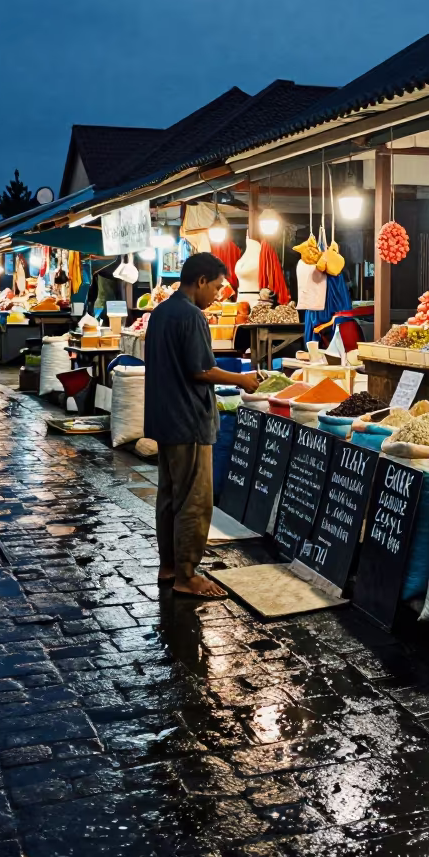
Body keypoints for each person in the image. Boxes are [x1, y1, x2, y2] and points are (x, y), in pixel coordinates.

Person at [144, 252, 260, 598]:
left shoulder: (161, 312)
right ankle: (187, 575)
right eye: (218, 286)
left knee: (169, 497)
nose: (219, 294)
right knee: (194, 500)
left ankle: (169, 566)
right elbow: (201, 370)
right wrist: (242, 380)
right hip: (188, 420)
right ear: (201, 282)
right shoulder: (192, 316)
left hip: (164, 418)